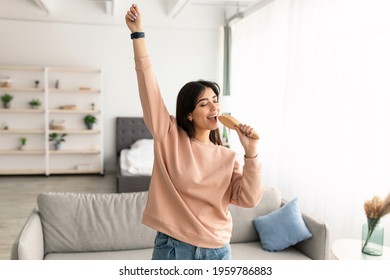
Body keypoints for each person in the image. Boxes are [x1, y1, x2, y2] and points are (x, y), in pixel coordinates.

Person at [125, 4, 263, 260]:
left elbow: (249, 199)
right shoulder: (169, 136)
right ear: (189, 113)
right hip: (175, 248)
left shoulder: (227, 156)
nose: (214, 106)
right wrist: (138, 35)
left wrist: (251, 154)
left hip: (218, 249)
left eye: (215, 100)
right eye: (204, 103)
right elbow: (148, 87)